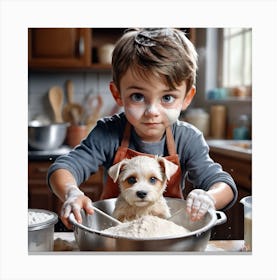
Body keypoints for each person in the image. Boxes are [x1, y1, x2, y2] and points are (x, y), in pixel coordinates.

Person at [47, 28, 237, 229]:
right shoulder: (107, 133)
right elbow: (64, 168)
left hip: (165, 237)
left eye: (167, 97)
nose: (152, 111)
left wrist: (209, 197)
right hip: (118, 236)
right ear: (118, 94)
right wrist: (71, 192)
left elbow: (222, 184)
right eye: (138, 96)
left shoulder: (187, 138)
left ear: (186, 98)